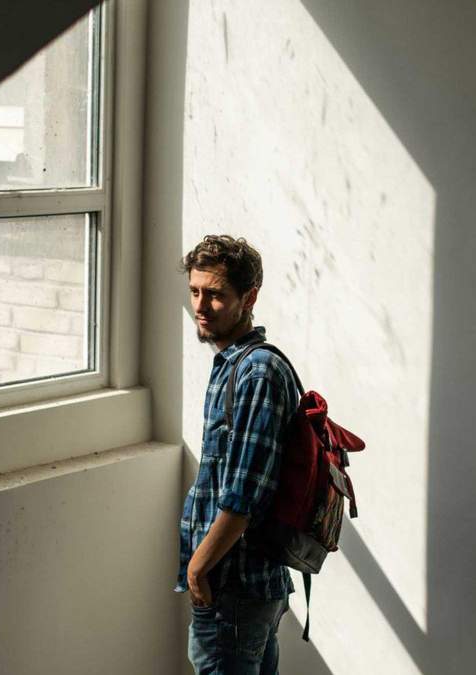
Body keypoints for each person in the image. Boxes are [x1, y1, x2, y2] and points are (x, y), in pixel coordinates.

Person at [175, 235, 299, 674]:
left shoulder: (256, 372)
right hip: (241, 587)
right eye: (194, 291)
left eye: (215, 294)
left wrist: (197, 570)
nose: (200, 306)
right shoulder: (234, 365)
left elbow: (243, 497)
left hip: (235, 588)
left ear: (249, 298)